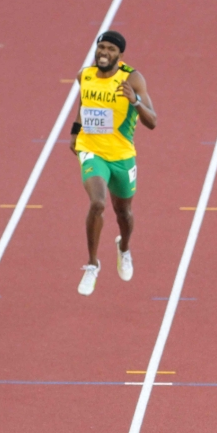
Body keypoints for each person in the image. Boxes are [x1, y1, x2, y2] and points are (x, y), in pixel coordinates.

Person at [70, 30, 156, 295]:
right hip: (92, 151)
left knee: (124, 213)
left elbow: (152, 121)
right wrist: (75, 132)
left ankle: (124, 247)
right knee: (97, 203)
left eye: (110, 49)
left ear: (120, 54)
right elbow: (85, 105)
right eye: (101, 48)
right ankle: (92, 264)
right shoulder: (84, 75)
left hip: (122, 156)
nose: (103, 53)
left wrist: (136, 101)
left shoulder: (132, 78)